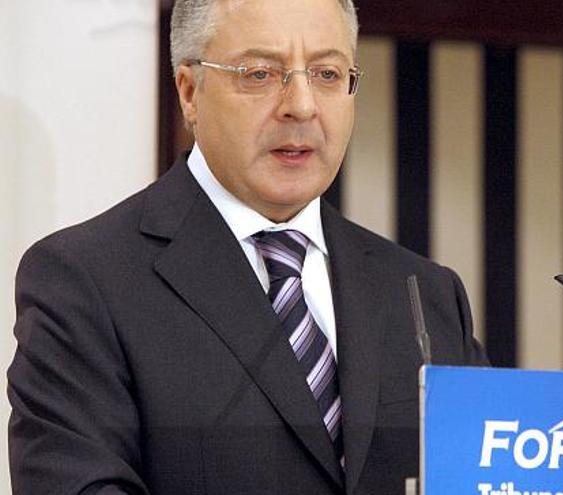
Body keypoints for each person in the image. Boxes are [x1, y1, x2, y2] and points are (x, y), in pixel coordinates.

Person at [6, 0, 488, 493]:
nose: (301, 105)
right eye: (260, 74)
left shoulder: (425, 293)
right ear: (189, 92)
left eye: (326, 73)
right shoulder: (84, 281)